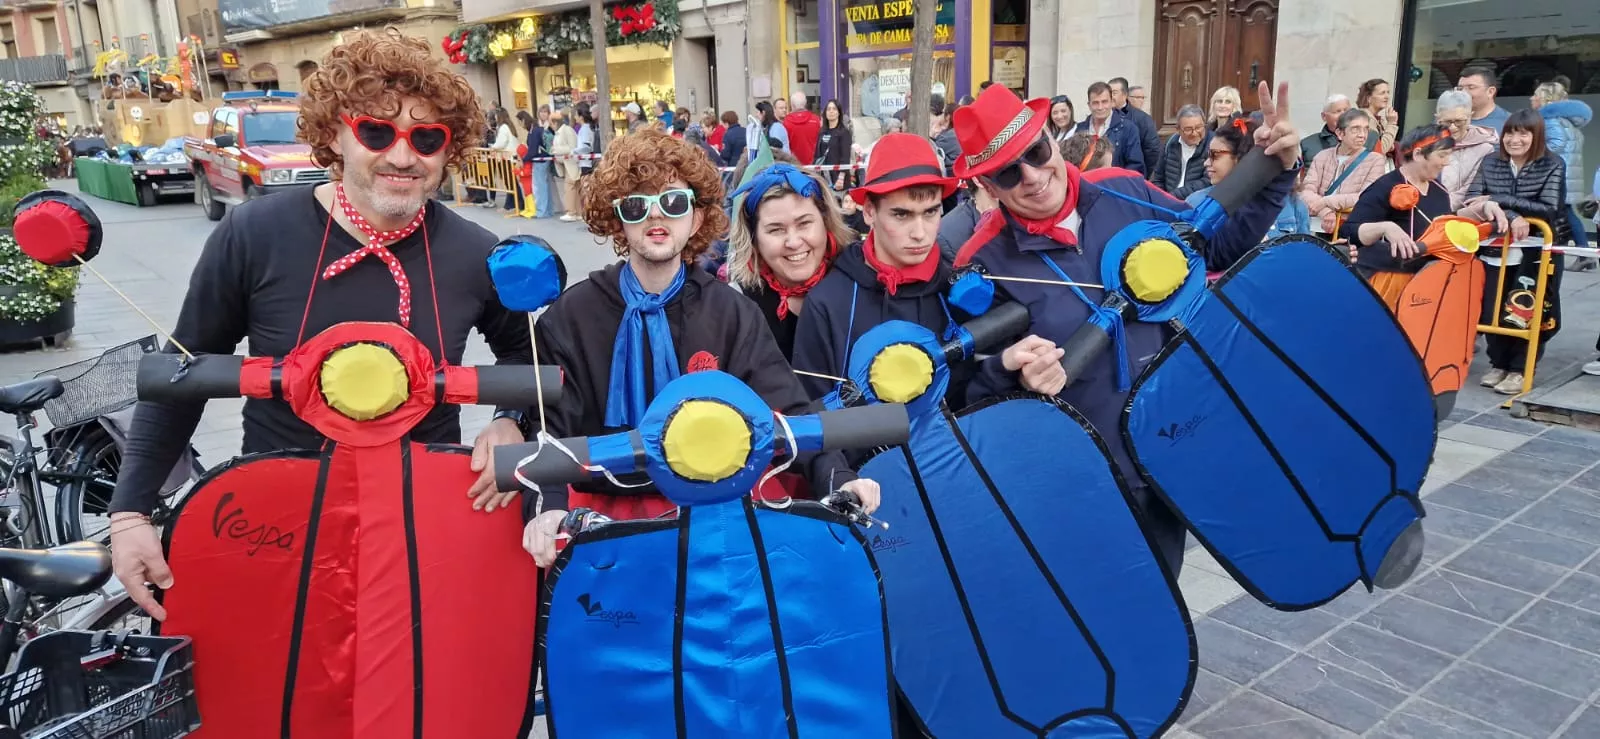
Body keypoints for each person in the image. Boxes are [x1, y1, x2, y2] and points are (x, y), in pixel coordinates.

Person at [107, 29, 535, 620]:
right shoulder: (255, 236)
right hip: (276, 529)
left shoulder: (477, 253)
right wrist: (130, 515)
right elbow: (184, 373)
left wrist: (511, 422)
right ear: (335, 133)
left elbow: (528, 357)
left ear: (449, 149)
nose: (403, 156)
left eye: (427, 137)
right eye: (376, 132)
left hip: (422, 533)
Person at [949, 82, 1301, 573]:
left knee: (1165, 594)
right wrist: (1017, 377)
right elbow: (971, 391)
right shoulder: (980, 264)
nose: (1031, 176)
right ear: (987, 187)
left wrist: (1277, 171)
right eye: (1008, 172)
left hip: (1168, 447)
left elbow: (1211, 249)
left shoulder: (1125, 190)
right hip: (1078, 476)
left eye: (1035, 151)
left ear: (1052, 136)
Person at [518, 130, 879, 566]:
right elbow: (548, 430)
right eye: (637, 205)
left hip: (714, 519)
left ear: (695, 216)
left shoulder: (731, 313)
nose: (657, 218)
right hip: (603, 525)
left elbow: (789, 411)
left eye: (673, 202)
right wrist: (548, 509)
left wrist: (837, 478)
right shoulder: (571, 316)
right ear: (617, 219)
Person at [792, 133, 994, 409]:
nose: (920, 233)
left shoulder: (958, 292)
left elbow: (978, 398)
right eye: (902, 215)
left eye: (931, 212)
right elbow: (811, 414)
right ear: (869, 212)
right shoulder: (829, 302)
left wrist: (1006, 368)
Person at [1461, 109, 1569, 395]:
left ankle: (1520, 368)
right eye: (1510, 132)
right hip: (1494, 247)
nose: (1514, 139)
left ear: (1536, 137)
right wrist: (1510, 214)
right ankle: (1498, 363)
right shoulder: (1491, 162)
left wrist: (1499, 200)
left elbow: (1549, 208)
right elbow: (1473, 199)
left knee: (1524, 309)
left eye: (1523, 133)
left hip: (1535, 251)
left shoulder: (1552, 164)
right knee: (1492, 306)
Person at [1339, 125, 1509, 304]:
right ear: (1418, 154)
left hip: (1426, 285)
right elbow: (1349, 232)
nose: (1447, 162)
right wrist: (1385, 227)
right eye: (1442, 155)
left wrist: (1482, 208)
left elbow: (1442, 223)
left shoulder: (1439, 190)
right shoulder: (1384, 187)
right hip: (1385, 283)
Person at [725, 162, 857, 360]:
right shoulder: (740, 306)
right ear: (754, 239)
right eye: (776, 230)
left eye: (804, 224)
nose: (793, 243)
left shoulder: (856, 282)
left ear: (826, 223)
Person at [1186, 115, 1309, 244]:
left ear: (1242, 158)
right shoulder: (1196, 203)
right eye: (1207, 155)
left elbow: (1303, 259)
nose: (1206, 163)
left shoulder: (1295, 206)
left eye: (1215, 155)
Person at [1300, 108, 1387, 237]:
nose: (1362, 135)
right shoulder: (1322, 156)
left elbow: (1365, 196)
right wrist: (1325, 212)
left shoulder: (1375, 160)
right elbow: (1306, 191)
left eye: (1365, 129)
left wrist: (1326, 201)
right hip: (1318, 224)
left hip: (1352, 227)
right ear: (1340, 134)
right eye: (1355, 129)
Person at [1074, 82, 1144, 174]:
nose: (1100, 107)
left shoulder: (1128, 129)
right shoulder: (1079, 130)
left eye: (1104, 102)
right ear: (1089, 105)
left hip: (1115, 186)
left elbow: (1135, 166)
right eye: (1095, 103)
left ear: (1111, 102)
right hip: (1086, 185)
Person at [1151, 104, 1212, 200]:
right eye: (1188, 129)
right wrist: (1159, 198)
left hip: (1196, 204)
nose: (1194, 133)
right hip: (1168, 203)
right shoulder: (1170, 143)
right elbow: (1158, 178)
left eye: (1198, 127)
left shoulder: (1212, 145)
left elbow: (1208, 181)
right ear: (1178, 130)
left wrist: (1174, 196)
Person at [1109, 77, 1160, 179]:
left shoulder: (1142, 119)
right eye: (1108, 92)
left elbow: (1152, 152)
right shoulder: (1103, 117)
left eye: (1114, 93)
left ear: (1125, 95)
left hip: (1130, 178)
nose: (1110, 96)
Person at [815, 99, 855, 190]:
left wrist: (841, 178)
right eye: (828, 109)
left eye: (834, 109)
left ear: (839, 113)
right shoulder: (822, 132)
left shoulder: (844, 132)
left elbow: (845, 157)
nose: (831, 111)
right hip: (823, 178)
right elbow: (817, 155)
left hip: (838, 178)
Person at [1300, 94, 1351, 165]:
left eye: (1346, 111)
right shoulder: (1307, 144)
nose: (1343, 115)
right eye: (1338, 111)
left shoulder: (1368, 139)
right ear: (1324, 116)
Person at [1459, 66, 1510, 133]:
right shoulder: (1449, 122)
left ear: (1490, 92)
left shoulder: (1509, 122)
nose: (1463, 93)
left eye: (1471, 87)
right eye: (1460, 88)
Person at [1355, 79, 1399, 154]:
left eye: (1388, 93)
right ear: (1369, 98)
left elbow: (1389, 145)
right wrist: (1392, 124)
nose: (1387, 97)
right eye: (1382, 93)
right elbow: (1380, 150)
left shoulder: (1379, 119)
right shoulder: (1365, 118)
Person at [783, 92, 822, 170]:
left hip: (793, 166)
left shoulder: (786, 122)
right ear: (805, 104)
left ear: (792, 105)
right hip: (813, 166)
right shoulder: (816, 120)